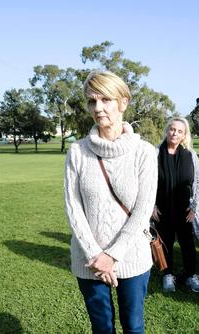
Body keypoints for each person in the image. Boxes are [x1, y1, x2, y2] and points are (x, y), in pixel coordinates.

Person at [64, 70, 157, 334]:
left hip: (132, 256)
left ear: (123, 102)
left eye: (105, 99)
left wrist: (112, 256)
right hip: (88, 259)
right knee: (102, 328)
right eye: (92, 101)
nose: (98, 107)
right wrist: (96, 256)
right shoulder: (77, 152)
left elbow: (142, 211)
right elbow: (73, 208)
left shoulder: (145, 152)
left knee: (133, 326)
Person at [152, 117, 199, 293]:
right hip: (162, 210)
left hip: (185, 210)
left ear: (184, 135)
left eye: (179, 131)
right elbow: (146, 182)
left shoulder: (190, 155)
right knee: (165, 243)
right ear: (167, 130)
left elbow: (198, 182)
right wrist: (151, 207)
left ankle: (191, 275)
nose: (175, 133)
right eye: (172, 129)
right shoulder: (155, 154)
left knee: (188, 244)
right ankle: (168, 275)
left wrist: (194, 207)